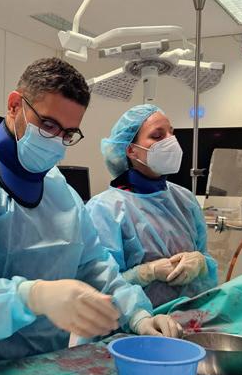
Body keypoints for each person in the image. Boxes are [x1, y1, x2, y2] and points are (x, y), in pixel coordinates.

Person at [0, 58, 182, 375]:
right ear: (14, 105)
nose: (57, 140)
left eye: (68, 133)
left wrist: (138, 315)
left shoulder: (59, 190)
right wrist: (32, 296)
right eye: (48, 125)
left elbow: (94, 265)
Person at [86, 104, 217, 307]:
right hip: (137, 322)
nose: (170, 141)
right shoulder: (105, 209)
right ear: (131, 150)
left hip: (193, 313)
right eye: (157, 136)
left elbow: (205, 258)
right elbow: (99, 286)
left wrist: (201, 262)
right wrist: (145, 273)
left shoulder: (184, 199)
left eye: (171, 133)